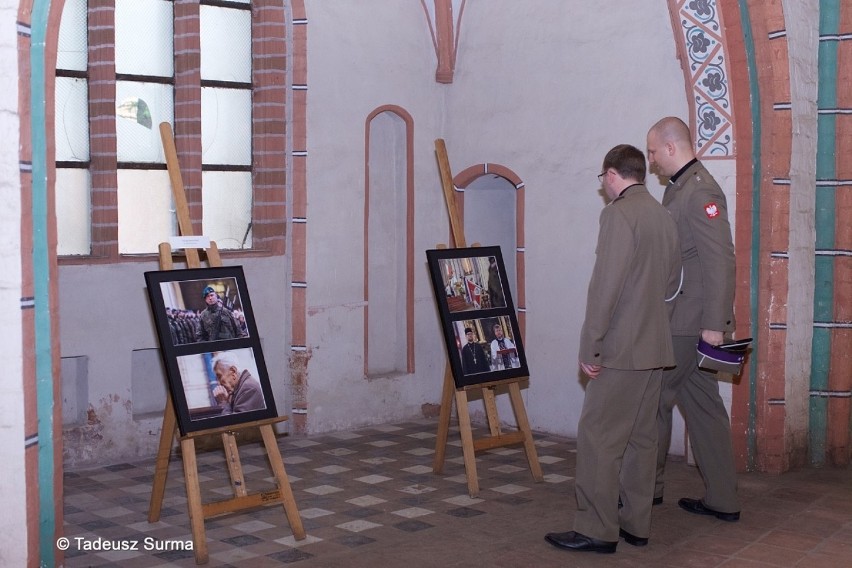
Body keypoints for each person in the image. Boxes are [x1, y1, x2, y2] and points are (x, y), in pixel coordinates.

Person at [545, 144, 681, 554]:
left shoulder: (618, 214)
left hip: (622, 351)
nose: (603, 186)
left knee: (599, 439)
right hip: (656, 347)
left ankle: (596, 528)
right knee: (642, 440)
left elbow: (605, 287)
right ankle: (635, 524)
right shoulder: (662, 215)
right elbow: (673, 284)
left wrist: (592, 346)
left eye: (602, 179)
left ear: (610, 175)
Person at [646, 116, 739, 521]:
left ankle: (642, 493)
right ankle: (723, 498)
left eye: (652, 151)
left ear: (670, 148)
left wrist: (715, 325)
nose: (650, 161)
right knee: (703, 408)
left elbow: (721, 260)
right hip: (687, 319)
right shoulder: (680, 190)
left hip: (690, 323)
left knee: (651, 402)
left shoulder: (700, 191)